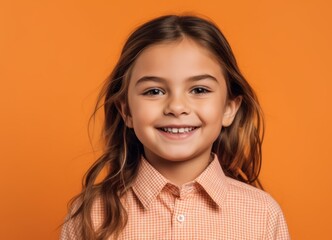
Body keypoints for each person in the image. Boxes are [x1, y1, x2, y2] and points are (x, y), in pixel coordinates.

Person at [60, 14, 290, 240]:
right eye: (154, 91)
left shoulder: (262, 214)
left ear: (229, 108)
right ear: (127, 111)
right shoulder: (91, 216)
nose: (177, 107)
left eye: (199, 90)